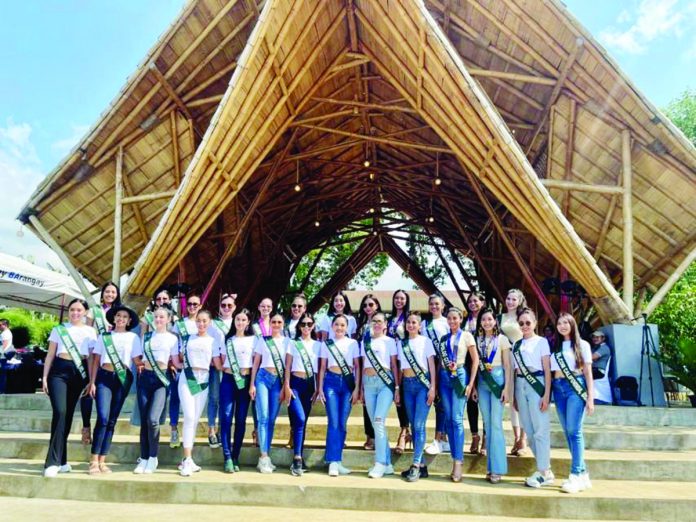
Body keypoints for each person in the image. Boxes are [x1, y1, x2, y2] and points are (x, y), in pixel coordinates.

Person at [42, 299, 97, 477]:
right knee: (60, 412)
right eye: (72, 310)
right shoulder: (59, 329)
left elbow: (90, 358)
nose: (75, 313)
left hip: (78, 374)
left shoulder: (90, 332)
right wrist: (44, 377)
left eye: (79, 310)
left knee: (68, 415)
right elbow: (50, 354)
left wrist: (91, 380)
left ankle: (62, 460)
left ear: (85, 312)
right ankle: (52, 462)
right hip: (58, 372)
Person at [87, 305, 139, 474]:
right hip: (104, 377)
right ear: (113, 318)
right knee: (102, 417)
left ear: (129, 320)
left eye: (125, 316)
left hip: (123, 378)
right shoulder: (105, 336)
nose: (121, 319)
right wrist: (92, 382)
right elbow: (96, 360)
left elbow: (137, 360)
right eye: (118, 315)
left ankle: (103, 460)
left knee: (112, 420)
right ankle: (93, 459)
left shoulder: (133, 337)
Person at [132, 306, 179, 474]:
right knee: (144, 420)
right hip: (145, 378)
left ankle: (153, 457)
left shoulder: (173, 339)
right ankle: (143, 458)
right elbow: (137, 357)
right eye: (156, 317)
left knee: (153, 419)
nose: (158, 320)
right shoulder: (146, 337)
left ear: (168, 319)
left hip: (161, 379)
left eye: (161, 317)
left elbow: (175, 361)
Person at [552, 313, 595, 494]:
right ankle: (583, 473)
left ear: (572, 325)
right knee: (568, 431)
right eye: (559, 323)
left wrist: (590, 397)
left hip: (575, 388)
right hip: (558, 388)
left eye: (565, 323)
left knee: (574, 431)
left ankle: (575, 474)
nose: (562, 326)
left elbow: (587, 372)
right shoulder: (554, 346)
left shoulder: (582, 345)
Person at [512, 307, 554, 488]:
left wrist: (546, 394)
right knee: (529, 431)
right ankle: (545, 469)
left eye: (528, 322)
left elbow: (547, 370)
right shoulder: (516, 345)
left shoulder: (542, 342)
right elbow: (514, 371)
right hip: (520, 385)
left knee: (540, 429)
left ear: (535, 323)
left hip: (536, 383)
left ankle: (543, 471)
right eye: (521, 323)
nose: (525, 326)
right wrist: (514, 394)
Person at [436, 307, 478, 482]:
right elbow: (440, 362)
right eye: (450, 318)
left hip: (459, 376)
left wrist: (471, 384)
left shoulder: (467, 336)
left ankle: (458, 463)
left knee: (457, 419)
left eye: (455, 318)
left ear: (461, 319)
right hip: (445, 377)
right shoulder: (444, 338)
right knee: (448, 420)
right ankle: (455, 457)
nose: (452, 321)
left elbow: (475, 360)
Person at [316, 314, 361, 477]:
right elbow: (321, 367)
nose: (339, 328)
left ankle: (338, 460)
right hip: (331, 383)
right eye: (337, 324)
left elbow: (357, 366)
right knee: (333, 421)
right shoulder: (326, 344)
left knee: (342, 422)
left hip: (348, 384)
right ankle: (332, 461)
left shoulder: (353, 343)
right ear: (332, 326)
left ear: (347, 327)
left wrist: (357, 388)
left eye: (343, 325)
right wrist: (319, 388)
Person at [177, 309, 221, 476]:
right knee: (188, 416)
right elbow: (179, 358)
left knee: (194, 420)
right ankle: (187, 459)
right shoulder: (187, 338)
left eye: (204, 321)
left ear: (209, 322)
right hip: (187, 379)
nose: (201, 324)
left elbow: (217, 364)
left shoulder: (213, 341)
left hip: (203, 381)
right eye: (199, 321)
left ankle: (188, 459)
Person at [473, 308, 513, 484]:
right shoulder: (477, 340)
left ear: (495, 321)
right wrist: (473, 387)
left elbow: (508, 366)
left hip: (497, 382)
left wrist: (507, 389)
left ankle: (498, 468)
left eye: (490, 319)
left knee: (496, 425)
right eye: (484, 320)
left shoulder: (502, 340)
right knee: (488, 425)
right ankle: (490, 467)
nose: (487, 322)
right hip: (482, 383)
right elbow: (473, 365)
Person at [398, 312, 436, 482]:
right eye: (409, 322)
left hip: (423, 384)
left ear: (420, 325)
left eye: (414, 322)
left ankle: (415, 465)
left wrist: (433, 387)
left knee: (419, 425)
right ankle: (421, 466)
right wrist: (398, 388)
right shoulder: (401, 343)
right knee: (414, 425)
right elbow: (399, 368)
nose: (411, 325)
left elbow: (431, 365)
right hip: (407, 384)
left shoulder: (426, 342)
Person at [216, 308, 255, 473]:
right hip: (228, 380)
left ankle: (235, 455)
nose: (240, 322)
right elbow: (221, 360)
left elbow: (255, 364)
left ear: (247, 323)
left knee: (240, 420)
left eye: (243, 320)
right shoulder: (228, 340)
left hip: (245, 381)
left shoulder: (254, 340)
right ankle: (227, 457)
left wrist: (252, 384)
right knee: (225, 417)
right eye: (237, 319)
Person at [249, 312, 289, 473]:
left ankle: (267, 455)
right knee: (263, 417)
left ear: (283, 324)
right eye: (274, 322)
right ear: (270, 323)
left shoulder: (288, 342)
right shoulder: (263, 340)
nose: (276, 324)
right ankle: (263, 456)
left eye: (279, 322)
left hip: (278, 381)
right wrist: (252, 384)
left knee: (271, 419)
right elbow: (256, 363)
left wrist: (286, 386)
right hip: (262, 378)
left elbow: (288, 365)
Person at [82, 281, 120, 445]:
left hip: (112, 359)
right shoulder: (94, 312)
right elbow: (87, 331)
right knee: (88, 391)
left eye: (113, 292)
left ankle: (103, 429)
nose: (110, 295)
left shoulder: (120, 312)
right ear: (102, 293)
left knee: (106, 398)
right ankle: (86, 426)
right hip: (93, 356)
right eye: (107, 292)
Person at [362, 312, 399, 478]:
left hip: (385, 383)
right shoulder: (365, 342)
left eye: (379, 321)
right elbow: (361, 365)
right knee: (377, 424)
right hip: (368, 384)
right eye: (374, 321)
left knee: (378, 421)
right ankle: (388, 464)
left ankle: (380, 463)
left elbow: (393, 364)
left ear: (385, 324)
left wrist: (397, 387)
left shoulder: (391, 342)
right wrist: (360, 387)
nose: (376, 324)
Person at [283, 312, 321, 476]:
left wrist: (319, 388)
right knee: (299, 418)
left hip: (309, 385)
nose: (306, 327)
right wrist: (287, 386)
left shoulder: (318, 345)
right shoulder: (293, 343)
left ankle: (298, 457)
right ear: (299, 326)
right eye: (303, 324)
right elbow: (287, 366)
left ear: (313, 326)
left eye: (309, 324)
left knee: (302, 423)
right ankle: (297, 457)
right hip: (296, 384)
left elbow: (320, 369)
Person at [170, 291, 203, 449]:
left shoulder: (203, 323)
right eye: (189, 304)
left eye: (195, 304)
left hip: (198, 370)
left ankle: (191, 435)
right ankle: (174, 429)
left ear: (200, 306)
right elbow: (174, 344)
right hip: (181, 366)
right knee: (176, 398)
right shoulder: (179, 324)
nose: (192, 307)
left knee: (195, 406)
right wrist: (174, 362)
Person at [500, 288, 528, 456]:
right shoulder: (501, 318)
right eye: (508, 298)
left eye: (514, 299)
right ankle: (516, 438)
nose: (510, 301)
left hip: (520, 357)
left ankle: (523, 439)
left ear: (519, 301)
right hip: (505, 358)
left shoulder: (523, 317)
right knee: (510, 399)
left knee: (520, 399)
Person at [207, 293, 237, 449]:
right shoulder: (213, 324)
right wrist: (216, 362)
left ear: (234, 307)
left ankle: (221, 430)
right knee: (214, 398)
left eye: (229, 305)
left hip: (232, 369)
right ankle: (211, 430)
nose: (226, 308)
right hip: (216, 365)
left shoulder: (237, 321)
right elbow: (209, 344)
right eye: (223, 305)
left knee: (226, 402)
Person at [423, 294, 450, 456]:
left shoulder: (447, 322)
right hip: (426, 366)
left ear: (443, 306)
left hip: (444, 365)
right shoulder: (424, 324)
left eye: (437, 304)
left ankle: (439, 438)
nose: (434, 306)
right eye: (431, 304)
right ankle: (442, 438)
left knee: (441, 403)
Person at [386, 289, 412, 454]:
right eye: (396, 298)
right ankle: (405, 430)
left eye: (402, 298)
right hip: (390, 360)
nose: (399, 301)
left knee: (404, 395)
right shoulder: (388, 319)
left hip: (406, 359)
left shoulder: (409, 319)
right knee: (398, 398)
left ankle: (404, 432)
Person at [356, 293, 382, 451]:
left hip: (381, 369)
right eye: (365, 305)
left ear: (377, 306)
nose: (368, 308)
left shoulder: (381, 324)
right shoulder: (361, 325)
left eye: (371, 305)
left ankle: (379, 436)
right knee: (367, 405)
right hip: (364, 366)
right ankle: (369, 436)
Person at [465, 292, 485, 455]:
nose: (472, 304)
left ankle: (485, 437)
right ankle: (475, 436)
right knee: (471, 401)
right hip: (468, 364)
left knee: (484, 403)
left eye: (475, 301)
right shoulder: (465, 321)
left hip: (486, 365)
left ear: (482, 303)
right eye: (470, 301)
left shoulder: (488, 320)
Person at [0, 318, 14, 394]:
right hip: (3, 357)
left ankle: (1, 391)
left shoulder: (5, 333)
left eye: (0, 325)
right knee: (2, 375)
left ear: (5, 325)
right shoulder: (6, 333)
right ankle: (2, 391)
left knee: (2, 375)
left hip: (2, 357)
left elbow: (4, 346)